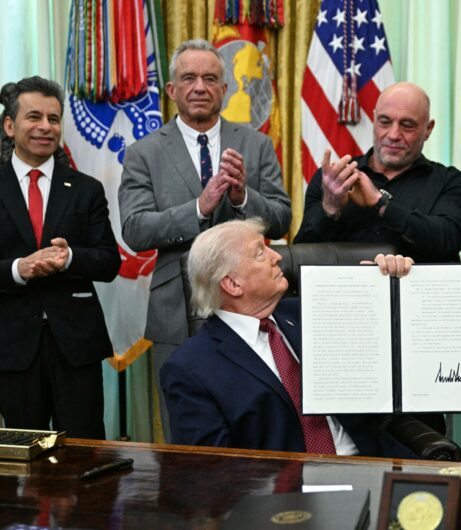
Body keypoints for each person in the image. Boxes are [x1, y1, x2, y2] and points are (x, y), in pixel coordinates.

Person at [118, 39, 291, 438]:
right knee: (186, 432)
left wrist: (242, 197)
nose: (200, 87)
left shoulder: (257, 145)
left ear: (224, 89)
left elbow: (281, 219)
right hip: (174, 311)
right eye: (189, 78)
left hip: (251, 309)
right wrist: (199, 207)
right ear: (172, 89)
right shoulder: (144, 152)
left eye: (210, 78)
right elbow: (135, 229)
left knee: (257, 420)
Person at [160, 219, 416, 458]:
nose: (278, 257)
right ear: (233, 284)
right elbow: (212, 468)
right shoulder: (190, 368)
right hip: (282, 485)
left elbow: (391, 345)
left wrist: (383, 285)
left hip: (370, 463)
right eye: (260, 252)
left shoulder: (313, 310)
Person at [0, 76, 120, 438]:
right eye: (34, 117)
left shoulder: (86, 189)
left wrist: (69, 259)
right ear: (10, 126)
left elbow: (109, 262)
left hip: (76, 346)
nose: (45, 127)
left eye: (53, 119)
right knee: (24, 452)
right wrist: (18, 269)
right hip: (12, 346)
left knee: (86, 451)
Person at [294, 82, 461, 264]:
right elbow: (301, 255)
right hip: (344, 283)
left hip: (417, 283)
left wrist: (381, 203)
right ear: (374, 120)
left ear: (428, 129)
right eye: (385, 122)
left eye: (407, 125)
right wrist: (330, 207)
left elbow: (448, 241)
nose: (393, 135)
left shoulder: (449, 181)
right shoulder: (335, 179)